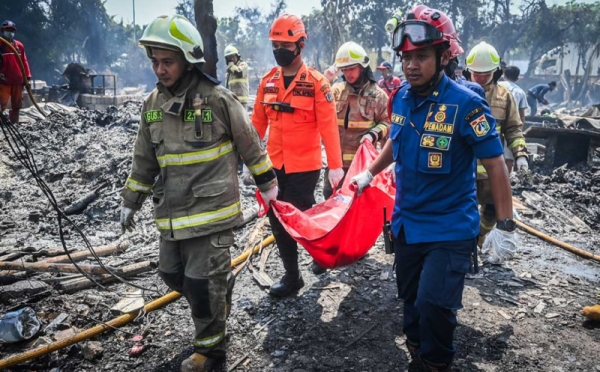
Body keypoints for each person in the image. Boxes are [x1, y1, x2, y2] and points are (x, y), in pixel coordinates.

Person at [351, 6, 517, 371]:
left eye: (421, 56)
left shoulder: (467, 104)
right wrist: (369, 173)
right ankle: (416, 351)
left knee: (434, 305)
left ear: (444, 56)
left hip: (449, 228)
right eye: (406, 57)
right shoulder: (403, 98)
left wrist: (504, 221)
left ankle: (435, 363)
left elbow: (495, 162)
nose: (411, 65)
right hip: (407, 224)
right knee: (410, 301)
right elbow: (397, 138)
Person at [119, 15, 278, 372]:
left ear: (187, 60)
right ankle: (221, 286)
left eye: (167, 61)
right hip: (172, 215)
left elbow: (249, 142)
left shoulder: (217, 99)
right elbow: (144, 158)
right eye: (155, 62)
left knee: (201, 286)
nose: (159, 69)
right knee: (171, 274)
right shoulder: (152, 105)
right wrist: (130, 202)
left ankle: (210, 352)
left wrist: (267, 184)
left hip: (212, 213)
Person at [252, 14, 343, 297]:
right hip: (272, 166)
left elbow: (329, 129)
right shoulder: (267, 82)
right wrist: (249, 163)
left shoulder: (317, 83)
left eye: (285, 44)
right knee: (278, 221)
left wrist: (336, 167)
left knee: (303, 215)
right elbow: (255, 127)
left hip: (305, 167)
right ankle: (293, 277)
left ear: (300, 44)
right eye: (275, 44)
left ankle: (321, 254)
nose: (279, 49)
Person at [310, 41, 390, 275]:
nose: (348, 74)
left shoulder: (378, 95)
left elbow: (387, 122)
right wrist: (324, 81)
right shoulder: (335, 91)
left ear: (363, 66)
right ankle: (327, 253)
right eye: (344, 70)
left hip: (362, 166)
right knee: (330, 203)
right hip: (335, 165)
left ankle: (355, 248)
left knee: (356, 209)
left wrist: (373, 134)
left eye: (351, 69)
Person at [465, 42, 528, 247]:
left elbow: (513, 129)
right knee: (465, 211)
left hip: (493, 172)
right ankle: (466, 246)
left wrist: (520, 154)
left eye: (485, 73)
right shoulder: (460, 94)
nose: (481, 78)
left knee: (492, 211)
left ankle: (478, 241)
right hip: (465, 170)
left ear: (496, 72)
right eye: (476, 73)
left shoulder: (504, 97)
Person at [0, 20, 31, 124]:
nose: (10, 32)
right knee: (1, 104)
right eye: (7, 30)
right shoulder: (0, 45)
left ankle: (14, 123)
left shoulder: (19, 46)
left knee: (16, 105)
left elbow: (24, 61)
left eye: (12, 30)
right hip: (4, 80)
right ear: (2, 31)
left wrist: (28, 77)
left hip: (18, 80)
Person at [223, 45, 249, 109]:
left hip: (241, 101)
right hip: (232, 101)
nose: (231, 59)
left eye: (233, 56)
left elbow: (239, 73)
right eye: (229, 57)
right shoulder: (229, 71)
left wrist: (231, 65)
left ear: (237, 56)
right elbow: (227, 87)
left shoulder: (243, 64)